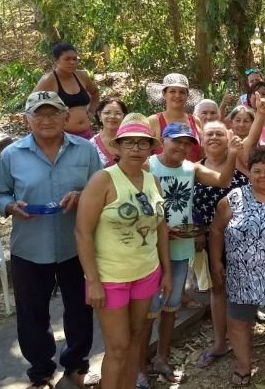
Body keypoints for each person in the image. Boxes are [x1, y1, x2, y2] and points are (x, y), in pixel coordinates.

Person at [0, 91, 102, 388]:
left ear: (66, 117)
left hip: (76, 246)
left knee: (80, 309)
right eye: (38, 114)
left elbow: (102, 189)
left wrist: (82, 196)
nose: (46, 120)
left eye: (53, 113)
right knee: (31, 314)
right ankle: (41, 372)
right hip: (29, 247)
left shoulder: (85, 150)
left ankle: (76, 366)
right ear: (27, 120)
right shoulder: (12, 154)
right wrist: (9, 206)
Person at [136, 115, 249, 385]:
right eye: (176, 141)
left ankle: (161, 359)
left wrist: (233, 154)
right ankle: (138, 368)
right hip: (148, 249)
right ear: (163, 141)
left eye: (187, 144)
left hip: (179, 247)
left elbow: (223, 181)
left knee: (171, 306)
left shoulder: (190, 168)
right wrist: (157, 227)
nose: (182, 147)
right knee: (147, 311)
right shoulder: (147, 165)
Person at [74, 113, 173, 389]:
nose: (136, 148)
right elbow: (82, 232)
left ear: (150, 148)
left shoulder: (152, 181)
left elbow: (160, 228)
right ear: (117, 146)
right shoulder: (103, 180)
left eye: (142, 143)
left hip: (146, 272)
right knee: (117, 347)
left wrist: (166, 271)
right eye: (128, 142)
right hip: (111, 277)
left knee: (137, 336)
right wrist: (93, 281)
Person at [210, 146, 265, 386]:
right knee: (238, 321)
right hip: (241, 274)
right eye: (257, 171)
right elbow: (216, 229)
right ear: (249, 172)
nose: (262, 176)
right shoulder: (234, 197)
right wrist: (216, 261)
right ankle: (243, 364)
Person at [192, 110, 265, 368]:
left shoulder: (239, 162)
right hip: (208, 239)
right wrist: (197, 231)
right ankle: (220, 341)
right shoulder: (194, 169)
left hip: (242, 238)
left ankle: (242, 338)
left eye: (219, 134)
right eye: (209, 134)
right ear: (202, 140)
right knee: (218, 288)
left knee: (244, 286)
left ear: (228, 138)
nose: (214, 138)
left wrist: (261, 113)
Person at [33, 43, 100, 139]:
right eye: (67, 59)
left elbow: (95, 92)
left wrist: (91, 110)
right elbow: (32, 105)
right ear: (56, 60)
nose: (72, 62)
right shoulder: (48, 80)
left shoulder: (82, 76)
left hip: (86, 134)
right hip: (63, 137)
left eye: (74, 59)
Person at [147, 73, 203, 162]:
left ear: (187, 96)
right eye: (172, 91)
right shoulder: (153, 121)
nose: (177, 95)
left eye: (182, 92)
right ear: (164, 94)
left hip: (192, 170)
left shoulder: (195, 121)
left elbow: (201, 155)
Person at [90, 97, 128, 168]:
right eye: (107, 113)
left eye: (117, 113)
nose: (112, 116)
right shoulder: (91, 145)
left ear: (124, 116)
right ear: (99, 115)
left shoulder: (132, 140)